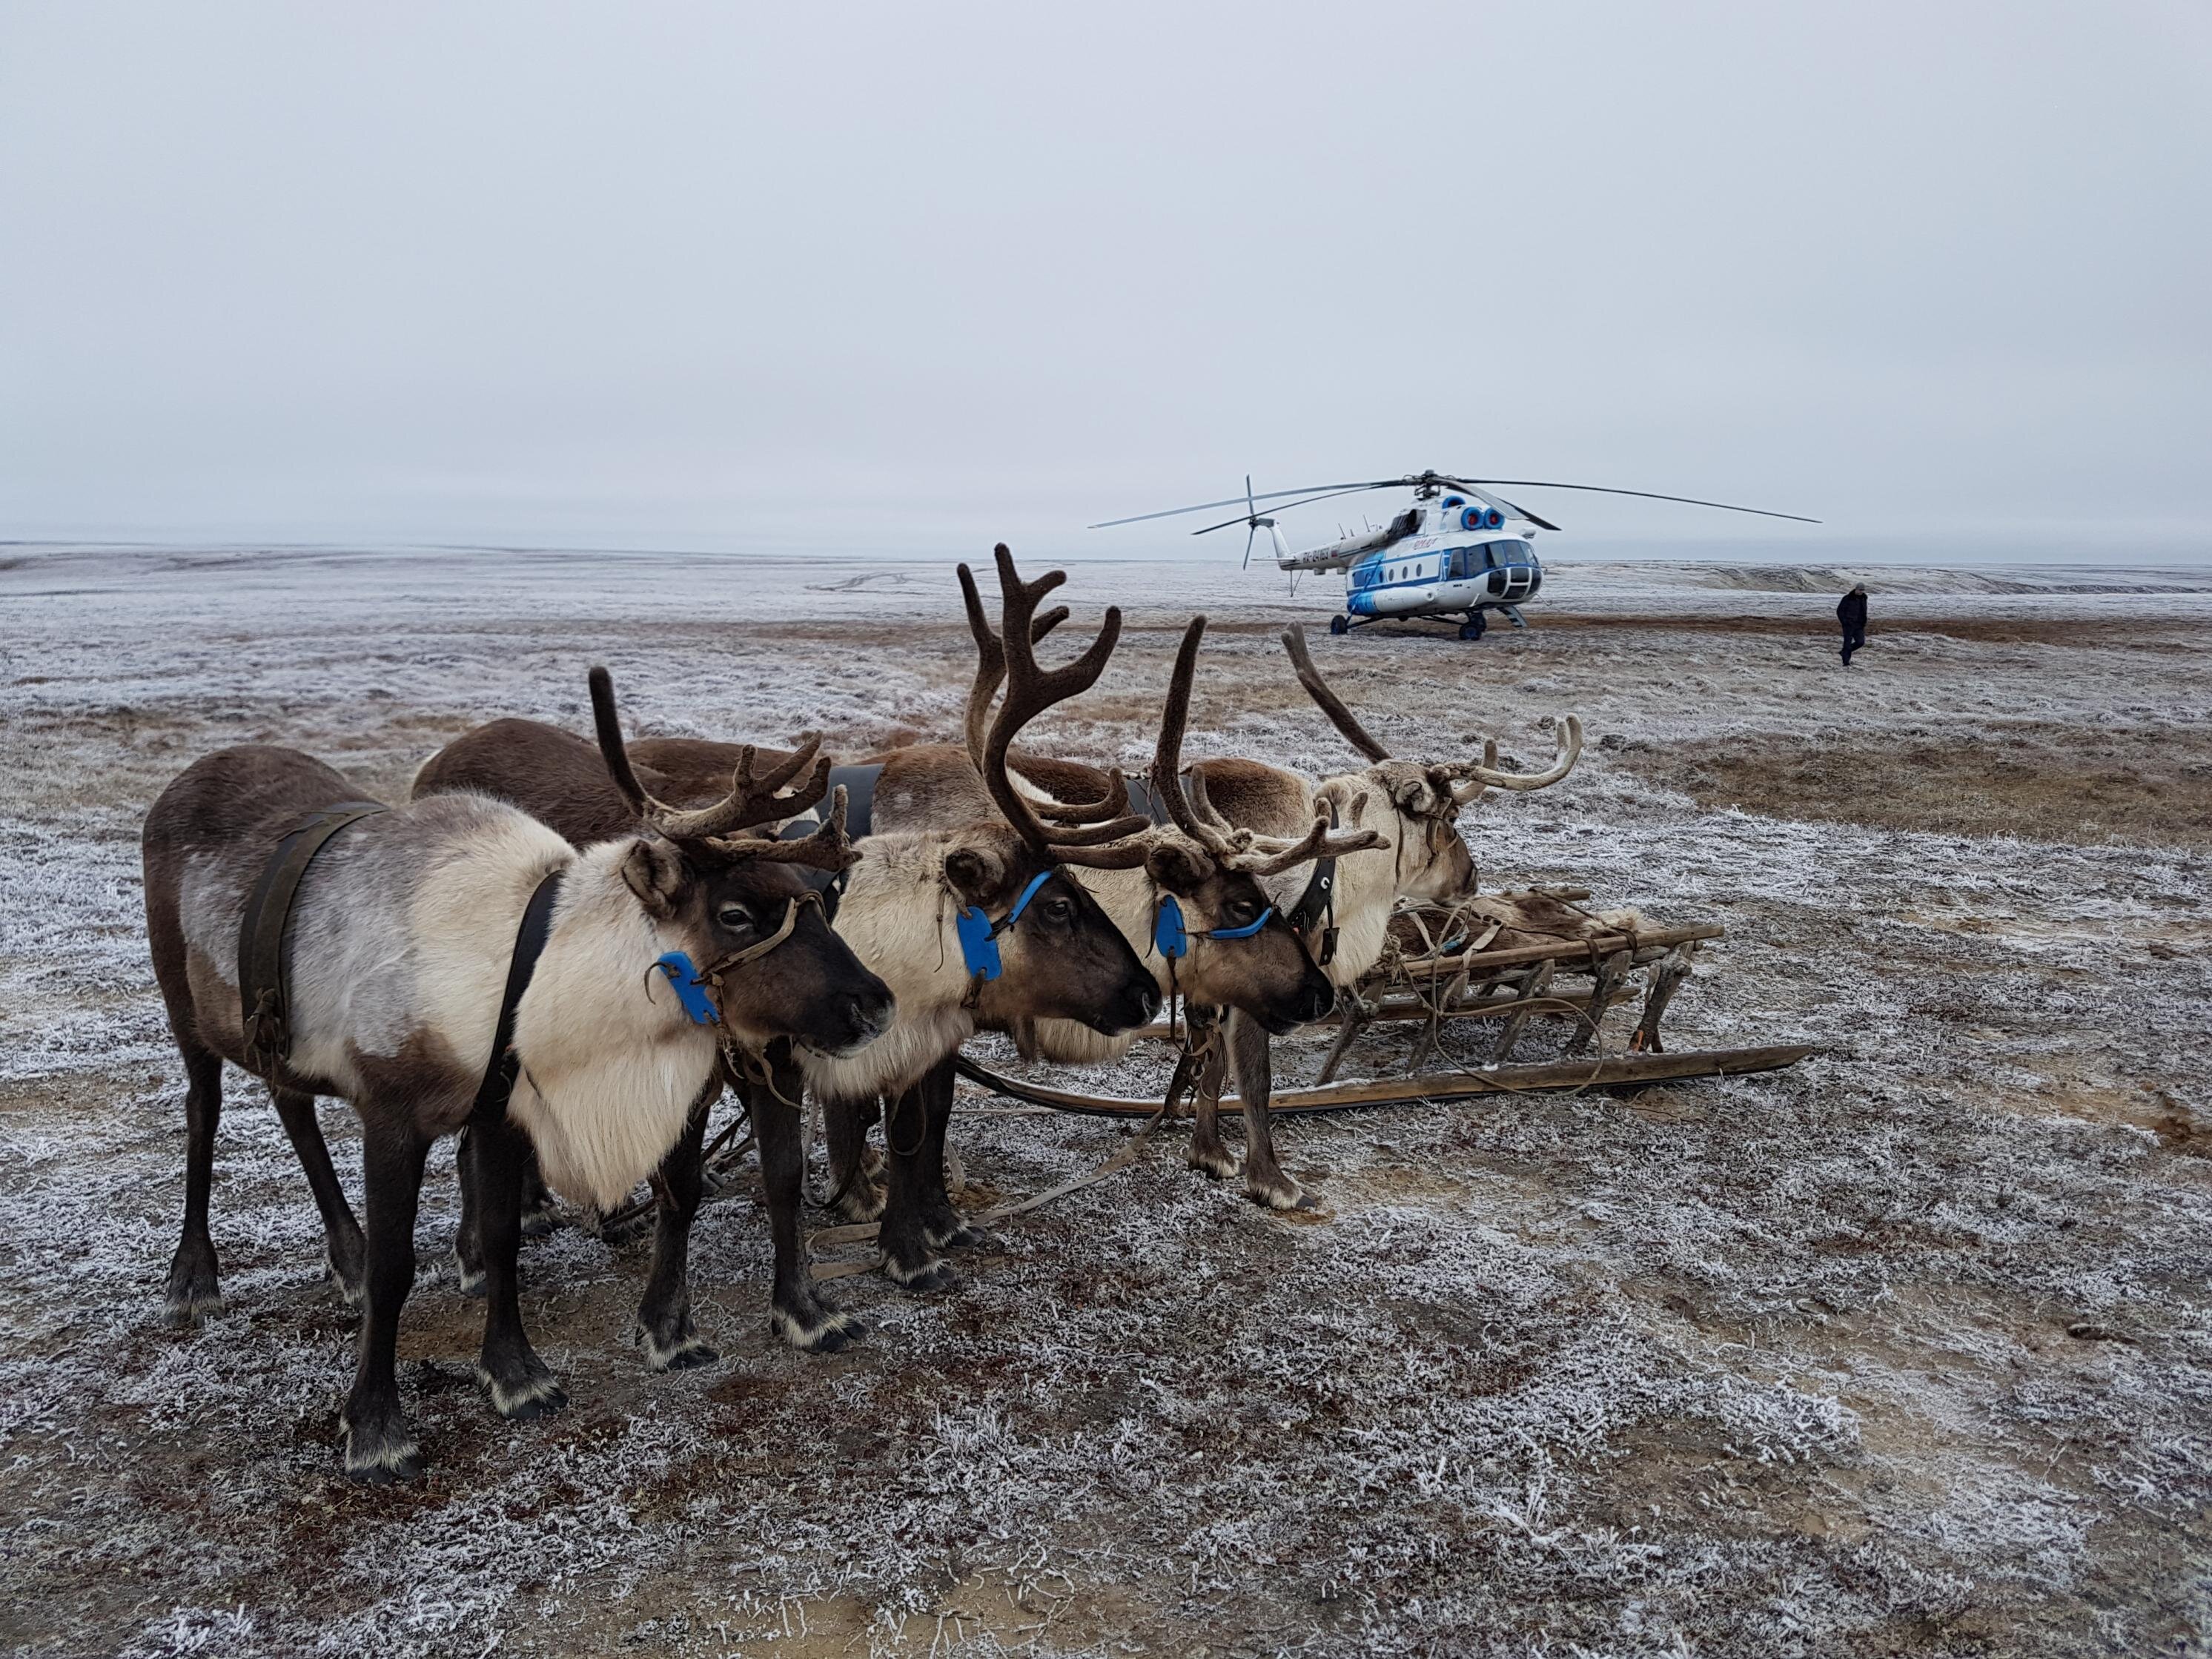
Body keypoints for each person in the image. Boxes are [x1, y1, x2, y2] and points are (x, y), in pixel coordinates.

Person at [1836, 583, 1869, 666]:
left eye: (1863, 590)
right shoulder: (1847, 598)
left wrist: (1864, 621)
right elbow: (1840, 611)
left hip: (1859, 625)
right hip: (1849, 625)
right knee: (1847, 643)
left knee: (1860, 642)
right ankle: (1846, 663)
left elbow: (1864, 611)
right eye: (1860, 590)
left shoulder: (1864, 599)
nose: (1861, 592)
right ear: (1856, 589)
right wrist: (1845, 622)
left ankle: (1844, 652)